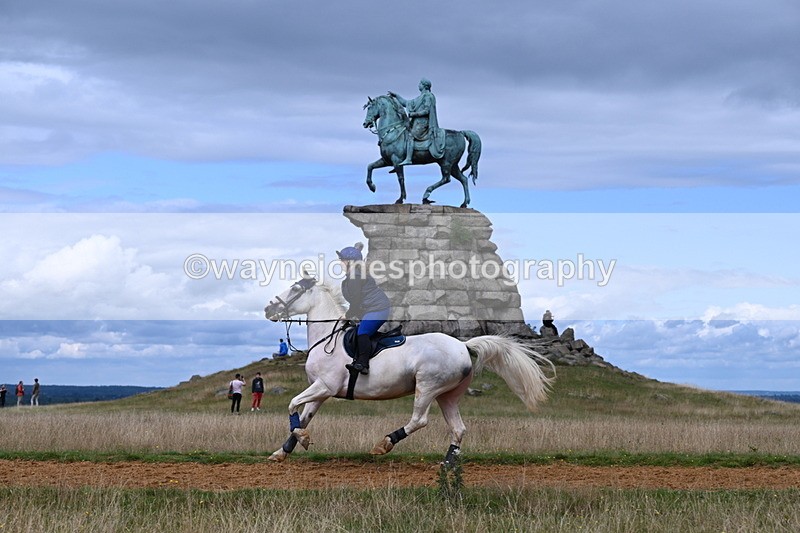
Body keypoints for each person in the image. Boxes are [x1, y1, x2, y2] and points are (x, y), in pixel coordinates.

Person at [337, 242, 392, 375]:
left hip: (378, 309)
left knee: (363, 332)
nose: (339, 263)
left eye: (342, 260)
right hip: (370, 309)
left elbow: (355, 300)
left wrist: (348, 315)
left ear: (350, 262)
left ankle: (363, 364)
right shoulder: (352, 275)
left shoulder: (355, 276)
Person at [388, 78, 445, 165]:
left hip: (423, 123)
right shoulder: (420, 98)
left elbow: (427, 111)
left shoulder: (428, 96)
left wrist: (414, 114)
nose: (419, 85)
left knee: (410, 135)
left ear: (424, 86)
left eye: (420, 84)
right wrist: (396, 96)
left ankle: (408, 158)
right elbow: (406, 103)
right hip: (416, 123)